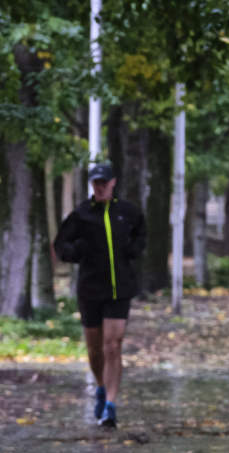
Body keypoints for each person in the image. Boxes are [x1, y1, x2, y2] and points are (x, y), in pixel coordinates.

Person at [52, 161, 146, 428]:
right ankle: (101, 387)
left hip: (120, 289)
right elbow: (61, 244)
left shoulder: (127, 212)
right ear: (92, 185)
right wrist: (78, 252)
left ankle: (111, 406)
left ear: (113, 182)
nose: (101, 187)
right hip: (90, 289)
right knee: (95, 349)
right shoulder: (82, 215)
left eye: (104, 182)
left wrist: (132, 250)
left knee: (113, 345)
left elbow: (142, 234)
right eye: (96, 183)